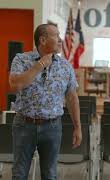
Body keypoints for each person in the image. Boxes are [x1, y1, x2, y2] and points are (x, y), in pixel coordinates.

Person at [9, 23, 82, 179]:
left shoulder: (65, 66)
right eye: (56, 35)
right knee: (19, 174)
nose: (60, 39)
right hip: (24, 125)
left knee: (50, 175)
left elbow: (72, 97)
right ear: (42, 40)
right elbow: (16, 84)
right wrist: (40, 64)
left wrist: (77, 127)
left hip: (52, 127)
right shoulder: (21, 60)